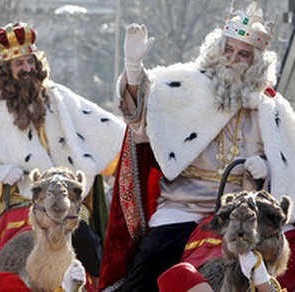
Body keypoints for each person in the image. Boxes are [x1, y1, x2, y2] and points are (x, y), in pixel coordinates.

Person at [99, 2, 295, 291]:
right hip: (182, 204)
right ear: (217, 50)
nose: (233, 59)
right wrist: (133, 70)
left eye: (243, 54)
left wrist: (264, 170)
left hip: (243, 207)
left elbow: (285, 170)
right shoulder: (184, 87)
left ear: (256, 63)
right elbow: (138, 117)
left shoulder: (270, 107)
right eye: (229, 50)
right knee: (149, 265)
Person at [0, 22, 126, 282]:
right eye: (19, 64)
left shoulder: (59, 97)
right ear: (6, 69)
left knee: (90, 245)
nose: (26, 68)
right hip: (8, 195)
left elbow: (110, 132)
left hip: (62, 198)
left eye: (30, 62)